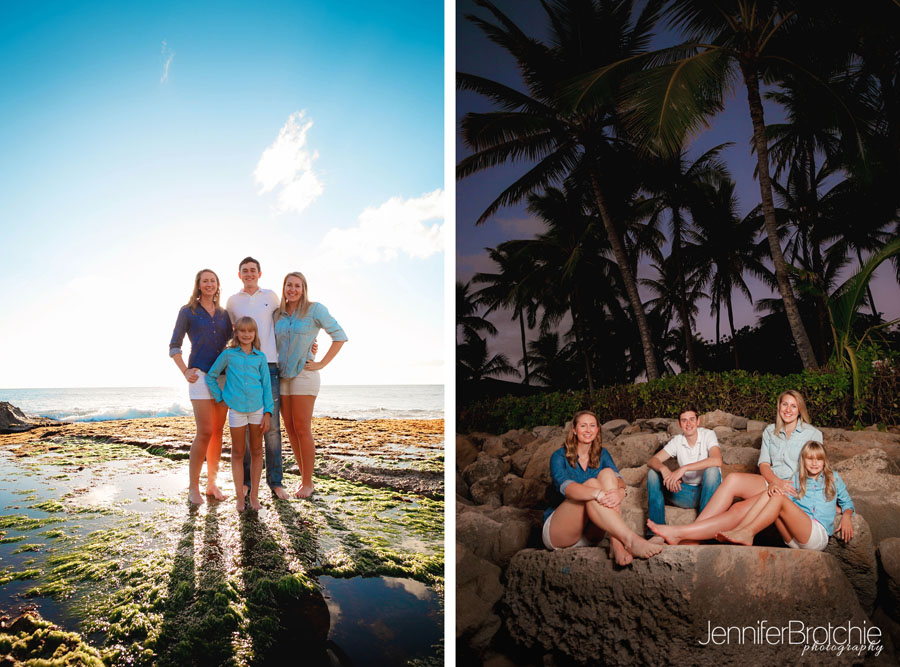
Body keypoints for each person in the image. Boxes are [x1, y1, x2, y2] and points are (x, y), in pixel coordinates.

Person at [647, 390, 823, 544]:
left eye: (793, 406)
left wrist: (786, 485)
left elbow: (815, 469)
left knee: (738, 508)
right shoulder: (770, 431)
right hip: (771, 481)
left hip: (791, 488)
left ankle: (687, 535)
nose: (788, 410)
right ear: (779, 406)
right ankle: (695, 533)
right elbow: (763, 464)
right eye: (785, 404)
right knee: (732, 479)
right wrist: (775, 481)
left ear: (800, 409)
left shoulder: (813, 434)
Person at [543, 410, 663, 565]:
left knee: (607, 473)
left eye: (592, 426)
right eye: (583, 425)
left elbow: (618, 480)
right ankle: (630, 540)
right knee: (592, 484)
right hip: (560, 532)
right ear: (574, 429)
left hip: (591, 533)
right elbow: (568, 489)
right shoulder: (559, 456)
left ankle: (616, 542)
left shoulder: (602, 454)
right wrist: (597, 493)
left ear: (597, 430)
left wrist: (621, 492)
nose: (588, 430)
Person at [274, 272, 347, 498]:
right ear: (284, 287)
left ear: (304, 289)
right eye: (289, 285)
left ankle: (308, 483)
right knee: (290, 428)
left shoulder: (315, 309)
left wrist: (322, 362)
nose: (292, 289)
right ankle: (304, 478)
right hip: (281, 376)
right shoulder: (277, 314)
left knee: (302, 428)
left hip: (305, 375)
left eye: (297, 286)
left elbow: (340, 335)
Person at [225, 257, 289, 500]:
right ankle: (248, 484)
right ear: (239, 274)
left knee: (270, 427)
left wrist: (309, 346)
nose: (249, 274)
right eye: (245, 271)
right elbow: (229, 330)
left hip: (270, 364)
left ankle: (276, 482)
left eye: (253, 270)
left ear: (259, 273)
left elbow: (286, 322)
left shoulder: (271, 296)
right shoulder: (232, 301)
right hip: (243, 369)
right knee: (249, 431)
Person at [169, 269, 233, 504]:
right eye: (205, 281)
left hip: (223, 378)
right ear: (198, 285)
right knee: (204, 432)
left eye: (213, 281)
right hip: (200, 376)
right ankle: (193, 488)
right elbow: (174, 345)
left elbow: (237, 341)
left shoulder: (226, 314)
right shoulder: (188, 312)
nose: (209, 284)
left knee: (217, 433)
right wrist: (185, 370)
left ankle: (212, 484)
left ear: (218, 285)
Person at [717, 441, 854, 549]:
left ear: (824, 461)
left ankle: (749, 533)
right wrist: (772, 486)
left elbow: (847, 503)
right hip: (792, 538)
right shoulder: (796, 479)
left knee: (778, 497)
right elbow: (780, 498)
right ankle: (740, 529)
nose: (814, 463)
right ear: (803, 460)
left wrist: (846, 516)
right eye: (809, 459)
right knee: (771, 493)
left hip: (816, 535)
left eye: (818, 459)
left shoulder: (832, 478)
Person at [205, 317, 274, 512]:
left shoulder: (260, 357)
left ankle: (254, 496)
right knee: (237, 453)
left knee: (257, 452)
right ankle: (239, 498)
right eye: (242, 331)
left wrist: (268, 412)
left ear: (255, 334)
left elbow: (267, 387)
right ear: (237, 333)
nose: (246, 334)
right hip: (235, 410)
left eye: (250, 331)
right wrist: (221, 398)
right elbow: (211, 376)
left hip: (257, 409)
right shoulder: (228, 355)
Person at [645, 408, 722, 537]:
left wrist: (684, 468)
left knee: (712, 471)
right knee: (653, 473)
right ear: (679, 424)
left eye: (692, 419)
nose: (688, 424)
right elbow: (653, 460)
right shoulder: (677, 441)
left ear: (698, 421)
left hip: (709, 492)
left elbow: (717, 460)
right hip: (684, 493)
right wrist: (665, 470)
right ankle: (656, 533)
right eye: (684, 420)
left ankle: (703, 530)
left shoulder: (708, 435)